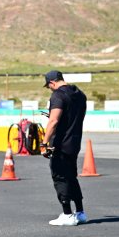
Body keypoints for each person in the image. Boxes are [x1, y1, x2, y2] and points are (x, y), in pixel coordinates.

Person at [41, 70, 88, 226]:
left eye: (48, 86)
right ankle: (80, 212)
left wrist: (44, 143)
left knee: (60, 177)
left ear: (52, 82)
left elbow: (54, 121)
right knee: (71, 176)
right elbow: (71, 116)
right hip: (74, 142)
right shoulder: (79, 94)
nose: (50, 89)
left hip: (60, 144)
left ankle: (67, 214)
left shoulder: (58, 96)